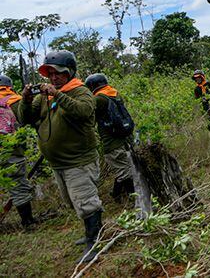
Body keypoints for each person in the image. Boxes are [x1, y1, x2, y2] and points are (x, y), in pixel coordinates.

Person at [17, 51, 102, 263]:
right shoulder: (45, 96)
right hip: (59, 162)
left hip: (78, 160)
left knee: (86, 202)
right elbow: (25, 118)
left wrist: (58, 95)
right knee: (74, 202)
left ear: (70, 73)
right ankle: (90, 234)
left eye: (58, 74)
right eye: (50, 74)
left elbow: (84, 111)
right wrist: (26, 101)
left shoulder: (80, 91)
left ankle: (96, 241)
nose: (53, 78)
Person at [84, 73, 135, 202]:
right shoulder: (114, 94)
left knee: (124, 171)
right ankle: (117, 195)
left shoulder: (99, 99)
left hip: (112, 142)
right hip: (124, 138)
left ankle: (134, 199)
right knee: (124, 169)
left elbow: (87, 116)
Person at [0, 75, 36, 230]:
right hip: (11, 151)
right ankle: (27, 222)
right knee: (18, 184)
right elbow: (29, 120)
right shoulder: (15, 100)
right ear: (9, 86)